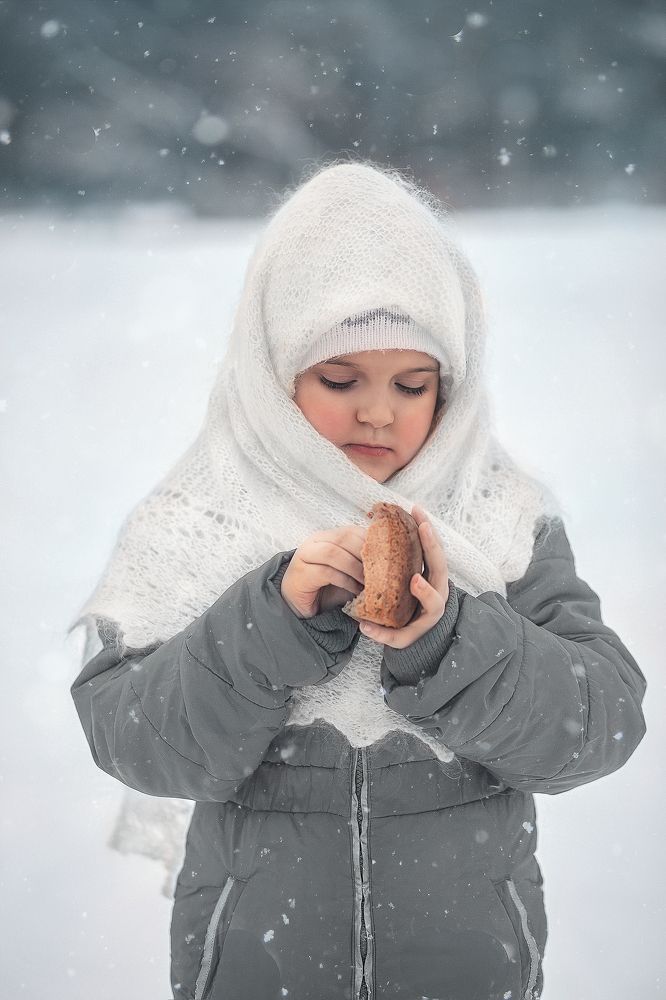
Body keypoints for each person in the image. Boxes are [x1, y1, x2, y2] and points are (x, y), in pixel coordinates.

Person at [68, 161, 646, 1000]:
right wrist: (271, 622)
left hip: (468, 971)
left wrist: (455, 643)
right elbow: (138, 741)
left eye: (413, 385)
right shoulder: (201, 518)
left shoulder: (502, 518)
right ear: (274, 378)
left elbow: (601, 723)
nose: (378, 411)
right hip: (256, 970)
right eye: (341, 380)